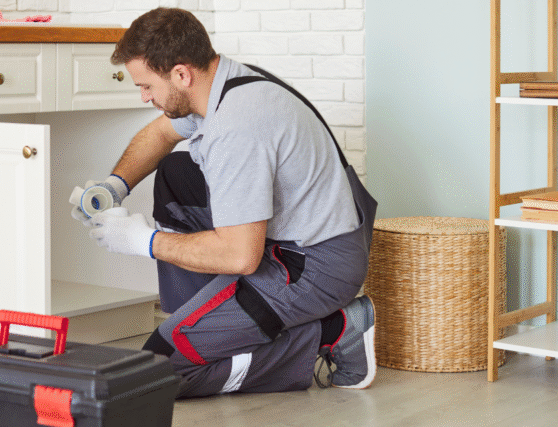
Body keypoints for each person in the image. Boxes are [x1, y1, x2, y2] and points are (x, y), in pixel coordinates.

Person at [70, 7, 378, 398]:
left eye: (146, 86)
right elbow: (159, 136)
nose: (145, 96)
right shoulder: (222, 83)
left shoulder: (237, 127)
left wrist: (141, 241)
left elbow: (240, 256)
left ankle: (333, 332)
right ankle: (209, 319)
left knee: (157, 373)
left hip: (313, 266)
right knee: (176, 173)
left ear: (182, 73)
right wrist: (114, 186)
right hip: (306, 238)